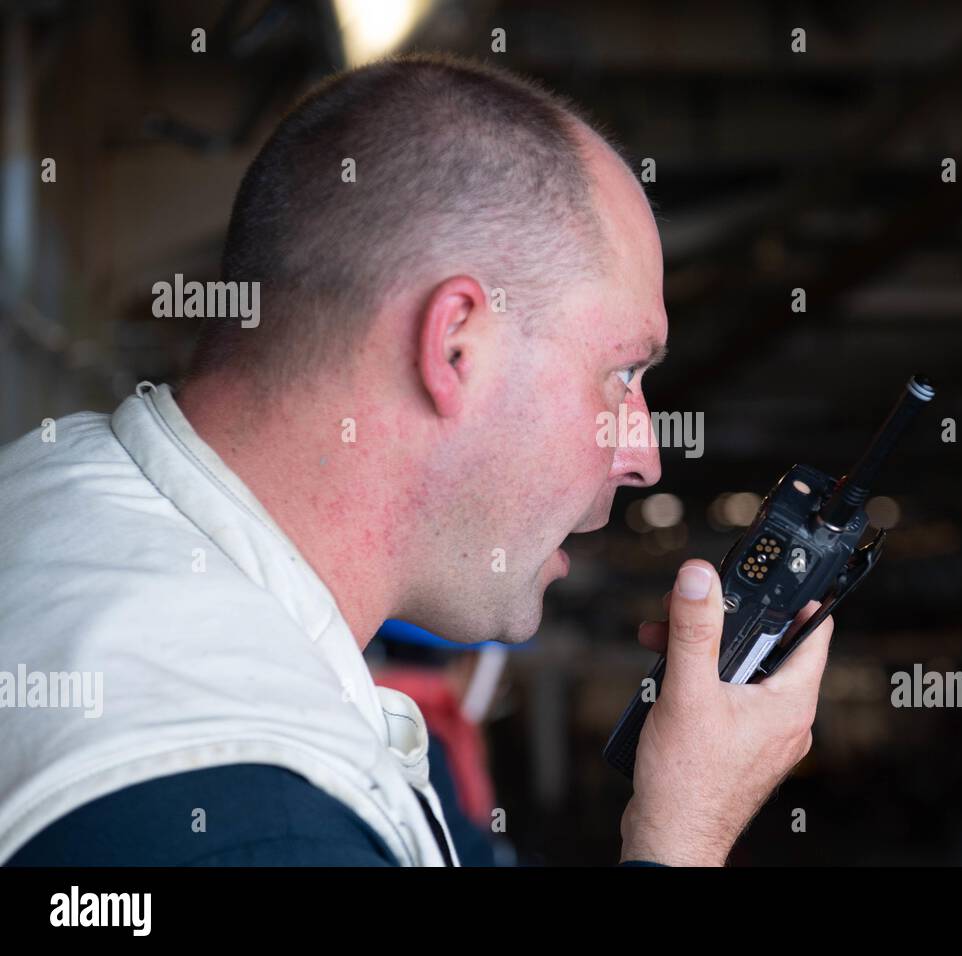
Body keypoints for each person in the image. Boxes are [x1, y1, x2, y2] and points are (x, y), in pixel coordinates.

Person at [0, 52, 833, 867]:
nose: (645, 457)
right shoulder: (252, 812)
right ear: (457, 346)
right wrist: (680, 838)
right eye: (621, 373)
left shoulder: (64, 486)